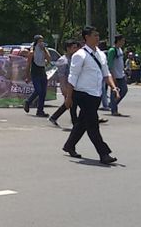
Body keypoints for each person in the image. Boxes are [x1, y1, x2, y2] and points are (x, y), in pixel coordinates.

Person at [62, 26, 119, 164]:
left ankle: (69, 145)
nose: (98, 38)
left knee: (82, 122)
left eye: (98, 35)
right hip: (82, 94)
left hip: (96, 94)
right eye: (95, 35)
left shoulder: (100, 54)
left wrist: (113, 87)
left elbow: (106, 73)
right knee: (92, 125)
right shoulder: (79, 55)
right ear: (86, 37)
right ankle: (104, 153)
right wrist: (68, 97)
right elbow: (72, 77)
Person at [49, 40, 80, 127]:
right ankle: (75, 122)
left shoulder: (74, 58)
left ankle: (54, 117)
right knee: (72, 104)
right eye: (74, 48)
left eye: (77, 47)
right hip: (67, 85)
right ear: (68, 48)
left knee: (70, 104)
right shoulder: (63, 60)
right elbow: (61, 76)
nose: (76, 49)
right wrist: (64, 88)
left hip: (74, 85)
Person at [23, 34, 52, 117]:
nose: (41, 43)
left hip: (42, 71)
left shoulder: (44, 50)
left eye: (42, 41)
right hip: (35, 72)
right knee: (38, 90)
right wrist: (27, 76)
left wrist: (44, 50)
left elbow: (49, 59)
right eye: (40, 41)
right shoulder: (32, 51)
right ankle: (28, 101)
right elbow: (28, 64)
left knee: (43, 92)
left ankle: (40, 110)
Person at [107, 34, 129, 117]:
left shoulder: (120, 50)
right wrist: (112, 75)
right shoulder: (112, 50)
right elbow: (110, 64)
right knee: (114, 93)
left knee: (124, 90)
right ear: (118, 41)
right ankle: (114, 110)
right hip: (115, 75)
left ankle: (112, 104)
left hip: (121, 74)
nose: (123, 42)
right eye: (122, 40)